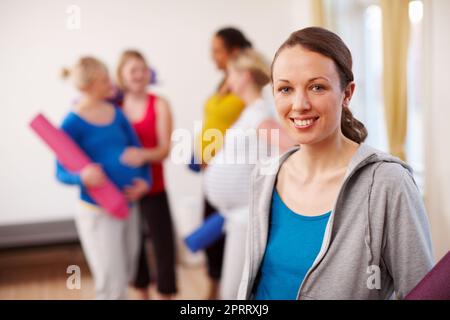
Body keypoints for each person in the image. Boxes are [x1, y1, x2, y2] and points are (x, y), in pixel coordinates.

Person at [238, 27, 434, 300]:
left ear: (347, 93)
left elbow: (422, 291)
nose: (299, 104)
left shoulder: (388, 183)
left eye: (317, 87)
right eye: (285, 89)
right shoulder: (264, 175)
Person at [57, 56, 151, 299]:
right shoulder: (71, 123)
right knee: (111, 282)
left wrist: (145, 182)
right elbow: (60, 172)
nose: (111, 82)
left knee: (127, 272)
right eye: (103, 80)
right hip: (98, 212)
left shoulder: (116, 113)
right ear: (86, 86)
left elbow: (137, 151)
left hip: (129, 205)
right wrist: (82, 177)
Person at [203, 48, 294, 299]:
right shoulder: (249, 112)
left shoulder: (258, 114)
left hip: (247, 216)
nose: (228, 80)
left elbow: (292, 147)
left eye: (231, 73)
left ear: (244, 76)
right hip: (238, 216)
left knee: (233, 293)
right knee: (236, 291)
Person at [196, 27, 252, 299]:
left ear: (235, 52)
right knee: (210, 236)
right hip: (209, 171)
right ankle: (215, 286)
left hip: (234, 176)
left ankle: (224, 291)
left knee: (224, 235)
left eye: (216, 50)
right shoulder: (222, 84)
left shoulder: (247, 86)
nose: (212, 57)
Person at [117, 50, 177, 300]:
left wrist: (142, 155)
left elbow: (164, 150)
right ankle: (142, 295)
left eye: (143, 69)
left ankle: (166, 295)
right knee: (134, 250)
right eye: (133, 70)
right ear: (121, 75)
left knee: (164, 248)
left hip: (154, 188)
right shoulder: (115, 108)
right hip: (125, 191)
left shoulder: (159, 104)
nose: (139, 75)